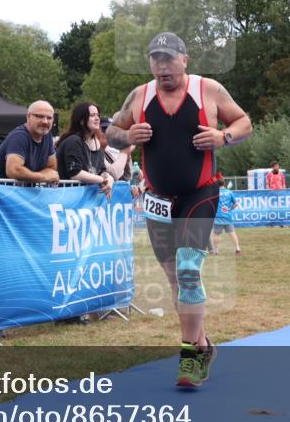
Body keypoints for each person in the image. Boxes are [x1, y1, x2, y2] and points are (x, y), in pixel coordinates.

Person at [106, 31, 252, 388]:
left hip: (199, 193)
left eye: (169, 59)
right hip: (157, 198)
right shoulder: (140, 95)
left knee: (188, 269)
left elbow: (244, 122)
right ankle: (202, 344)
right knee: (175, 278)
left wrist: (223, 137)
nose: (162, 67)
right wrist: (128, 137)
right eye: (156, 60)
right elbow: (111, 132)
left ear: (184, 60)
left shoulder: (208, 90)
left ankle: (189, 357)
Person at [0, 100, 59, 184]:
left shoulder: (47, 136)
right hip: (1, 190)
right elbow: (14, 171)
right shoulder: (20, 136)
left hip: (20, 191)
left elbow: (51, 168)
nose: (45, 121)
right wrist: (43, 177)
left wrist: (41, 176)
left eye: (49, 118)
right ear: (28, 116)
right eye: (40, 116)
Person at [55, 101, 114, 197]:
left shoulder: (96, 143)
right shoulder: (74, 140)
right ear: (82, 121)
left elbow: (101, 170)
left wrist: (109, 178)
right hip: (65, 196)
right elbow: (75, 173)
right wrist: (102, 180)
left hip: (83, 200)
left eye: (98, 115)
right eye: (92, 115)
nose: (97, 118)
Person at [210, 176, 241, 255]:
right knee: (232, 233)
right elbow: (235, 204)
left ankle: (216, 250)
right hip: (228, 216)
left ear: (217, 184)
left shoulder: (215, 193)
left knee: (216, 234)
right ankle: (237, 248)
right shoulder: (229, 192)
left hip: (218, 217)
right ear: (224, 183)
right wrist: (229, 209)